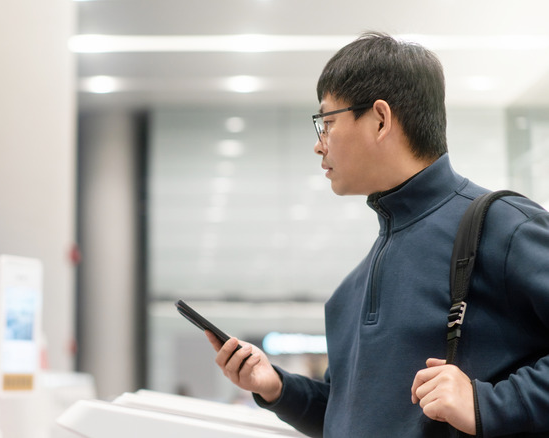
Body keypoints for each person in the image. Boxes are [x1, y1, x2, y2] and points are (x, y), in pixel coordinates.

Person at [206, 32, 549, 437]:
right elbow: (345, 416)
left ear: (381, 119)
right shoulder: (351, 290)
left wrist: (488, 404)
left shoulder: (503, 227)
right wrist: (275, 386)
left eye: (327, 123)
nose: (319, 146)